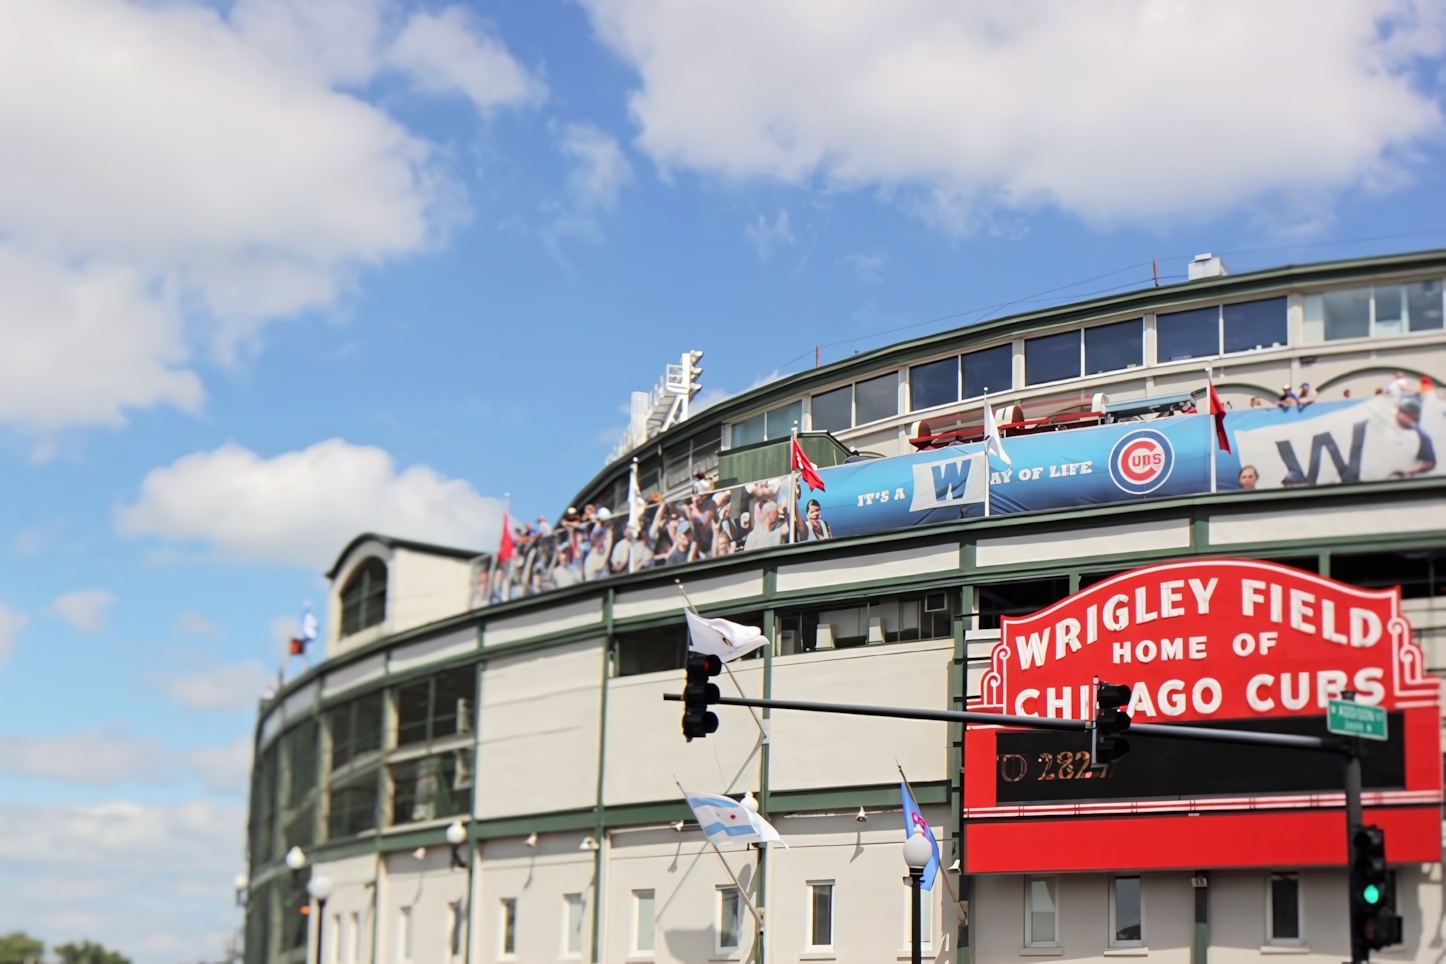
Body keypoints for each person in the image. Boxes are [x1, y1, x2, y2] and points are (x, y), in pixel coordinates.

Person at [1393, 397, 1437, 477]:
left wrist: (1407, 471)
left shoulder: (1422, 435)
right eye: (1399, 411)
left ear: (1413, 416)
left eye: (1403, 413)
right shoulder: (1387, 427)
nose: (1397, 414)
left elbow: (1430, 463)